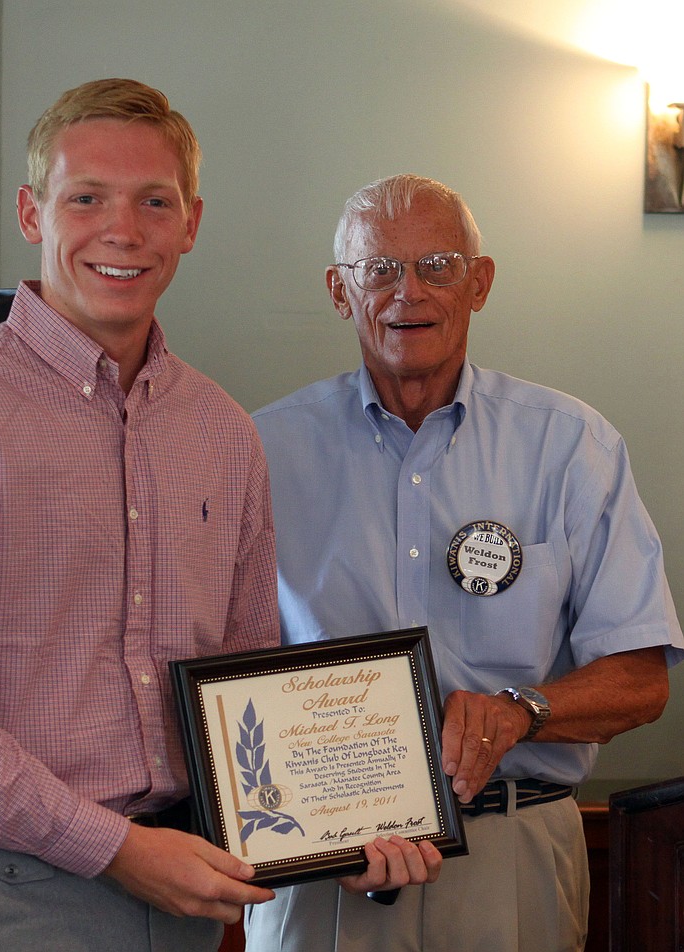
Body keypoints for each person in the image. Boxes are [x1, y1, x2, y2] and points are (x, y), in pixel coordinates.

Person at [0, 82, 438, 952]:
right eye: (86, 197)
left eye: (154, 201)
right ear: (33, 212)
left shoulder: (222, 431)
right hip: (1, 901)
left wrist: (328, 829)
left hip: (184, 895)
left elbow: (240, 686)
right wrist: (114, 849)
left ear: (190, 222)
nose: (123, 230)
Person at [244, 173, 684, 952]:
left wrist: (522, 710)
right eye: (377, 269)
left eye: (437, 265)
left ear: (478, 283)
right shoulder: (257, 452)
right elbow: (215, 666)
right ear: (339, 292)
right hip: (322, 874)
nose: (406, 292)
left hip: (512, 853)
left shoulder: (571, 446)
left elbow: (641, 679)